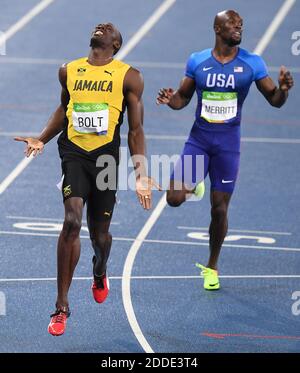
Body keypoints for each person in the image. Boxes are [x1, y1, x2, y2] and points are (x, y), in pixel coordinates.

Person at [15, 22, 160, 336]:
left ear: (116, 43)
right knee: (71, 220)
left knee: (100, 236)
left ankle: (100, 268)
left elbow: (135, 130)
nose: (102, 27)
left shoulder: (130, 76)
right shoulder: (69, 70)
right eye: (100, 26)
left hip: (106, 158)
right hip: (75, 153)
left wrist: (141, 175)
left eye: (109, 28)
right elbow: (64, 107)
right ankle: (61, 306)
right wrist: (42, 138)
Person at [156, 10, 293, 291]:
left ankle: (212, 266)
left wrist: (283, 90)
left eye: (241, 24)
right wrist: (171, 100)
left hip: (228, 145)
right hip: (199, 141)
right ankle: (195, 186)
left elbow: (275, 101)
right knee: (173, 198)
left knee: (219, 210)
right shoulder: (198, 61)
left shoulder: (252, 63)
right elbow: (183, 97)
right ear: (217, 28)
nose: (238, 27)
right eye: (232, 24)